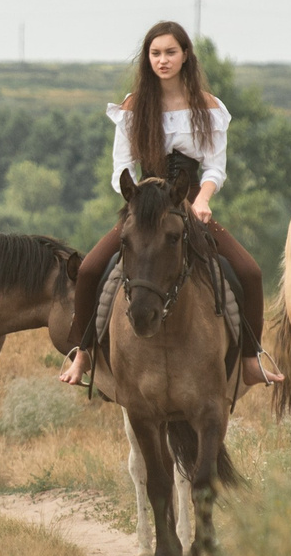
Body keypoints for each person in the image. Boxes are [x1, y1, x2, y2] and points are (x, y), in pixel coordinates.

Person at [57, 20, 277, 386]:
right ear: (147, 58)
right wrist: (141, 199)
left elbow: (214, 167)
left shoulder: (208, 107)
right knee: (91, 269)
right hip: (143, 205)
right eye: (155, 53)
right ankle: (83, 354)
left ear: (185, 55)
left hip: (191, 203)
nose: (163, 60)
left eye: (170, 52)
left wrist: (202, 200)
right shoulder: (133, 107)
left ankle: (250, 361)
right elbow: (121, 169)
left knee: (250, 272)